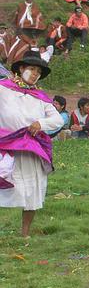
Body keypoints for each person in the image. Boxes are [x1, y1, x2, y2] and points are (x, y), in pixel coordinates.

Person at [0, 51, 61, 237]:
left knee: (33, 191)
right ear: (21, 68)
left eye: (38, 72)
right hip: (6, 146)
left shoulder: (41, 97)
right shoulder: (3, 89)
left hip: (31, 149)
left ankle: (25, 233)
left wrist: (40, 124)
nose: (35, 74)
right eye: (32, 69)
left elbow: (57, 120)